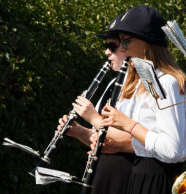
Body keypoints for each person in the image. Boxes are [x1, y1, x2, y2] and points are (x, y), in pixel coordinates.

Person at [99, 5, 186, 194]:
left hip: (157, 177)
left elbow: (172, 150)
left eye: (126, 42)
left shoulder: (167, 83)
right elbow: (146, 138)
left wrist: (128, 125)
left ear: (147, 42)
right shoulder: (147, 79)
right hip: (139, 171)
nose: (123, 49)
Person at [57, 15, 134, 194]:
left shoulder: (141, 87)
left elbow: (134, 138)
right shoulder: (111, 84)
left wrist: (92, 116)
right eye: (106, 46)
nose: (107, 52)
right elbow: (103, 138)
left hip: (125, 174)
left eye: (112, 46)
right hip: (103, 173)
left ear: (127, 47)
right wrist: (78, 132)